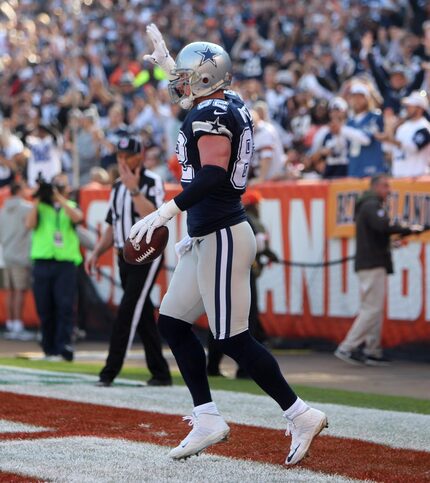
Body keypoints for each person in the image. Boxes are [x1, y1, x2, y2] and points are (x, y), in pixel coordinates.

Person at [130, 25, 327, 465]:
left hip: (222, 234)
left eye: (184, 74)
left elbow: (214, 173)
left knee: (233, 338)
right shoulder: (225, 104)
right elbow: (195, 103)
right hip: (208, 235)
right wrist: (167, 65)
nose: (176, 81)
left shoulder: (211, 114)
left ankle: (299, 413)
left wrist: (166, 212)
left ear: (203, 79)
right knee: (173, 323)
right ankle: (207, 417)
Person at [85, 137, 171, 387]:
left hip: (147, 254)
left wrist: (134, 189)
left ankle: (109, 371)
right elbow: (112, 225)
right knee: (141, 314)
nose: (122, 160)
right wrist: (96, 251)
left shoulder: (151, 181)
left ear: (139, 156)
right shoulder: (116, 185)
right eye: (119, 156)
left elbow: (155, 217)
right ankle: (161, 372)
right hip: (124, 255)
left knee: (127, 311)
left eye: (127, 155)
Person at [335, 174, 424, 366]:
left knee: (374, 308)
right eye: (385, 186)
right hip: (371, 264)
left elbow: (378, 233)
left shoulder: (369, 205)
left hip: (372, 262)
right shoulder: (371, 205)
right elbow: (383, 226)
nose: (388, 190)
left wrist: (394, 240)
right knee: (371, 309)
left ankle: (372, 350)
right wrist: (409, 228)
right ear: (375, 187)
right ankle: (347, 347)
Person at [206, 189, 277, 378]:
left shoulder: (214, 215)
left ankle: (212, 365)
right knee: (247, 320)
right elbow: (259, 245)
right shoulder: (247, 220)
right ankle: (244, 369)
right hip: (243, 273)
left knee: (220, 319)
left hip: (220, 272)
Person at [26, 173, 83, 361]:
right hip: (43, 261)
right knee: (44, 306)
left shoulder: (71, 206)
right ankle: (48, 347)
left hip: (65, 262)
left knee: (64, 305)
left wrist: (58, 198)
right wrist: (37, 198)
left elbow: (77, 218)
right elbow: (29, 224)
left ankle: (63, 345)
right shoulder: (40, 207)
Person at [0, 182, 33, 340]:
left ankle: (11, 324)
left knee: (10, 291)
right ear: (19, 190)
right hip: (20, 256)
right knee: (19, 291)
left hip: (6, 256)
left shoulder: (2, 210)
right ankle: (18, 326)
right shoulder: (27, 208)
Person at [376, 91, 430, 177]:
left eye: (410, 106)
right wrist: (388, 129)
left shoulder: (425, 127)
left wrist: (391, 140)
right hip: (399, 177)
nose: (407, 108)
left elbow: (413, 147)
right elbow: (390, 150)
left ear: (420, 108)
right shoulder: (402, 127)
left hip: (418, 178)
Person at [346, 83, 386, 177]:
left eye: (360, 97)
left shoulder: (375, 117)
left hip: (372, 170)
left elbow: (366, 139)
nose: (357, 101)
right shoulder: (349, 122)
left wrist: (341, 129)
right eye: (354, 97)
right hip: (354, 169)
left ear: (367, 99)